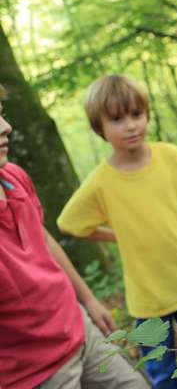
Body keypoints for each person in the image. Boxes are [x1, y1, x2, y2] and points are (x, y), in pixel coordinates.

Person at [57, 75, 177, 389]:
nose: (131, 125)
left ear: (146, 114)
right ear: (99, 127)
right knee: (162, 374)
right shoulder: (101, 182)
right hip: (147, 297)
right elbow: (70, 224)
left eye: (136, 114)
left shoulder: (170, 156)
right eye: (117, 119)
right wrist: (119, 235)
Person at [0, 84, 148, 389]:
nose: (6, 127)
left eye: (0, 114)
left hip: (78, 328)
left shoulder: (14, 177)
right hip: (34, 372)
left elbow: (43, 240)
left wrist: (88, 300)